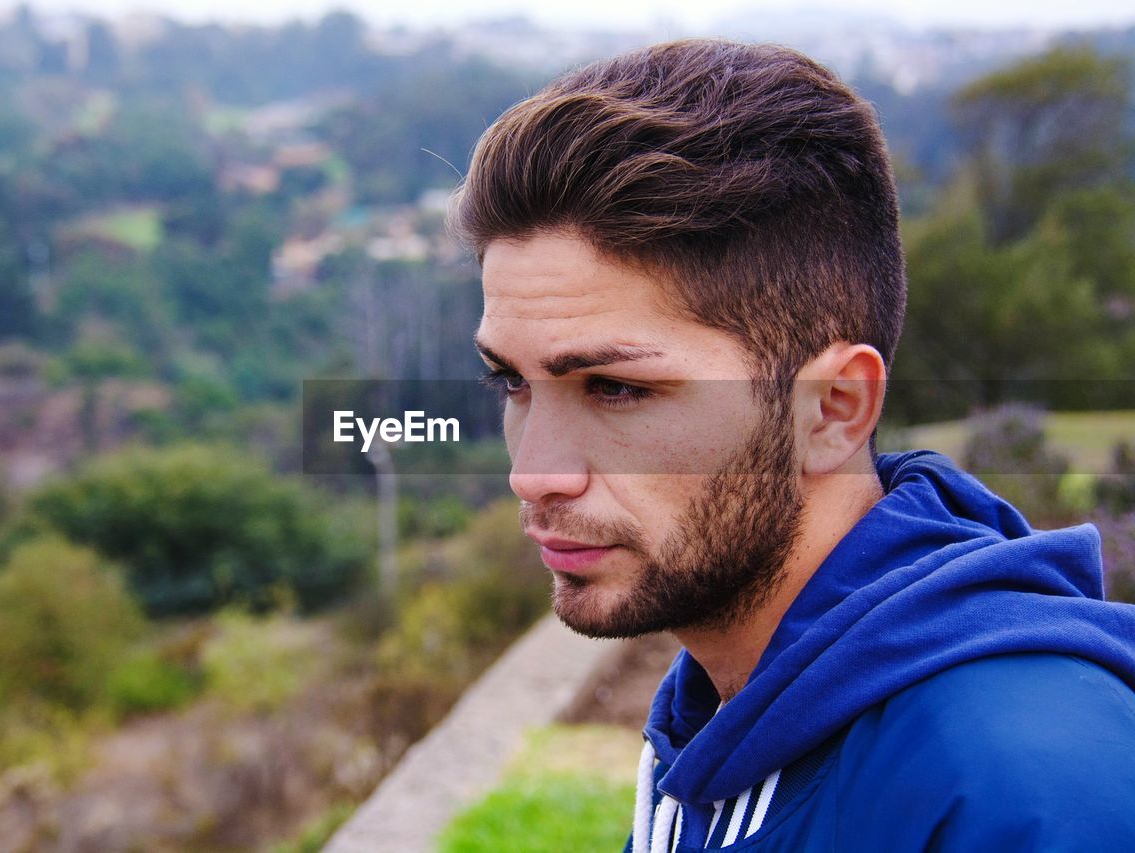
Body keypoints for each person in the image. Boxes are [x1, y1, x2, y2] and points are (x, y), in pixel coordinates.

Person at [448, 39, 1135, 851]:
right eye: (512, 384)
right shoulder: (727, 708)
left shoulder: (1025, 789)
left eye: (617, 388)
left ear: (834, 409)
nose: (534, 473)